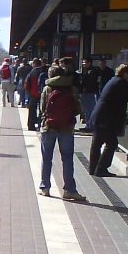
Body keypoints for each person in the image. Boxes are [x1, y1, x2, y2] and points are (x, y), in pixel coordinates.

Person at [39, 66, 86, 201]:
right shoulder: (72, 89)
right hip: (67, 128)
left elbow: (42, 108)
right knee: (67, 159)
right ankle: (69, 190)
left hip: (49, 127)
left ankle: (45, 188)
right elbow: (78, 109)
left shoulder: (47, 89)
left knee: (47, 159)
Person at [88, 64, 128, 177]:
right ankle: (101, 169)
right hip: (106, 119)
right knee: (112, 143)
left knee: (97, 143)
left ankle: (93, 168)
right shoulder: (120, 83)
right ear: (125, 73)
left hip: (99, 116)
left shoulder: (114, 81)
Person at [78, 57, 101, 132]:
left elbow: (90, 83)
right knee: (86, 109)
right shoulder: (85, 70)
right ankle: (89, 125)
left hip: (89, 92)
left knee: (89, 109)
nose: (83, 64)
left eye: (85, 62)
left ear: (89, 63)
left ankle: (90, 126)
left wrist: (85, 89)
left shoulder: (92, 72)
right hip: (86, 92)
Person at [25, 58, 44, 131]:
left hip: (33, 93)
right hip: (43, 94)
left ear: (34, 64)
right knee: (43, 110)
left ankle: (31, 126)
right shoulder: (44, 71)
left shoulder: (32, 72)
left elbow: (27, 84)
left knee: (32, 110)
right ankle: (41, 124)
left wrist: (29, 92)